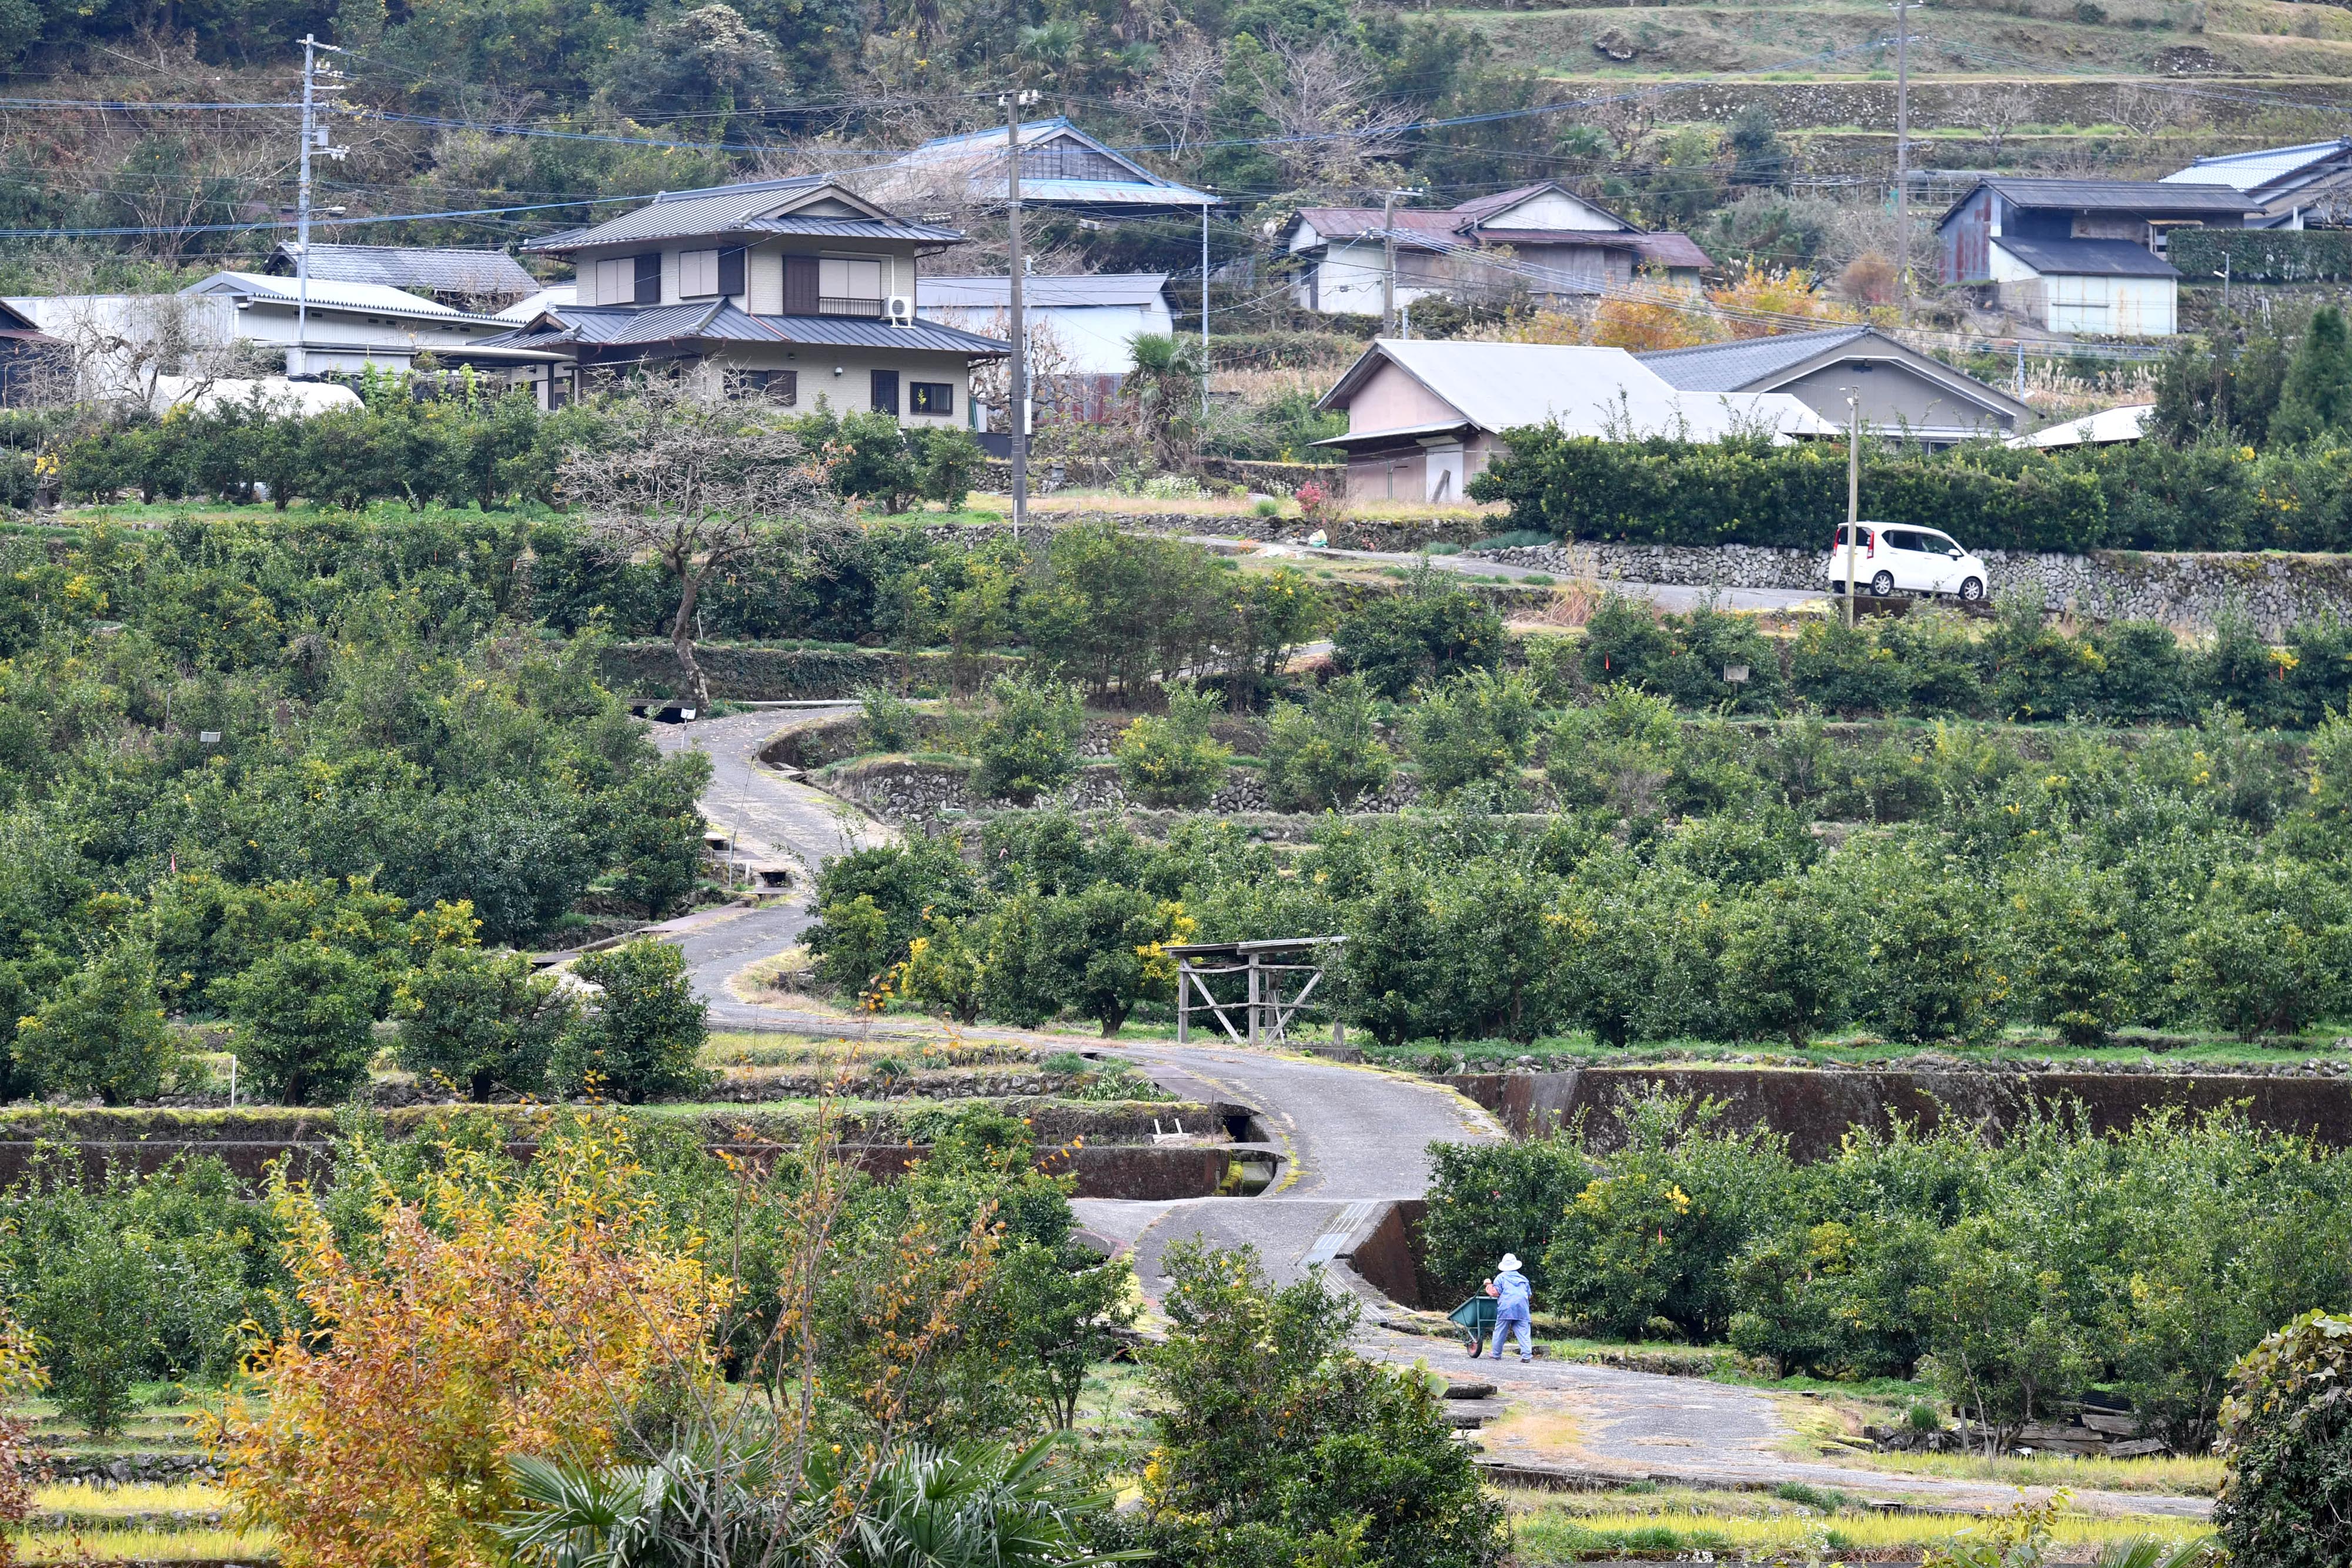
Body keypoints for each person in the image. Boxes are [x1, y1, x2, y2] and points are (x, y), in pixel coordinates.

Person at [1484, 1252, 1533, 1363]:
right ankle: (1526, 1355)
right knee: (1524, 1332)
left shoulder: (1500, 1278)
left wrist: (1488, 1285)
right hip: (1522, 1308)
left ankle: (1496, 1354)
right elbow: (1529, 1295)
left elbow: (1495, 1293)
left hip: (1506, 1308)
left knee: (1500, 1331)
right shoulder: (1524, 1279)